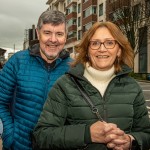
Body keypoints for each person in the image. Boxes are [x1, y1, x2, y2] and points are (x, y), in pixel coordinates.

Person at [33, 21, 150, 150]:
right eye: (95, 43)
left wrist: (130, 141)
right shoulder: (64, 86)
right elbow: (42, 136)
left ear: (119, 51)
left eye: (110, 43)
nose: (102, 48)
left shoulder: (132, 87)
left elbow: (146, 134)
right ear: (87, 51)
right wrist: (87, 134)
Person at [0, 10, 71, 150]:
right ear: (38, 34)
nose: (53, 39)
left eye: (59, 34)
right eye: (47, 33)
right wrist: (9, 135)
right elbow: (0, 102)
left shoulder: (74, 69)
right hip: (19, 145)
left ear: (66, 36)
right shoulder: (17, 62)